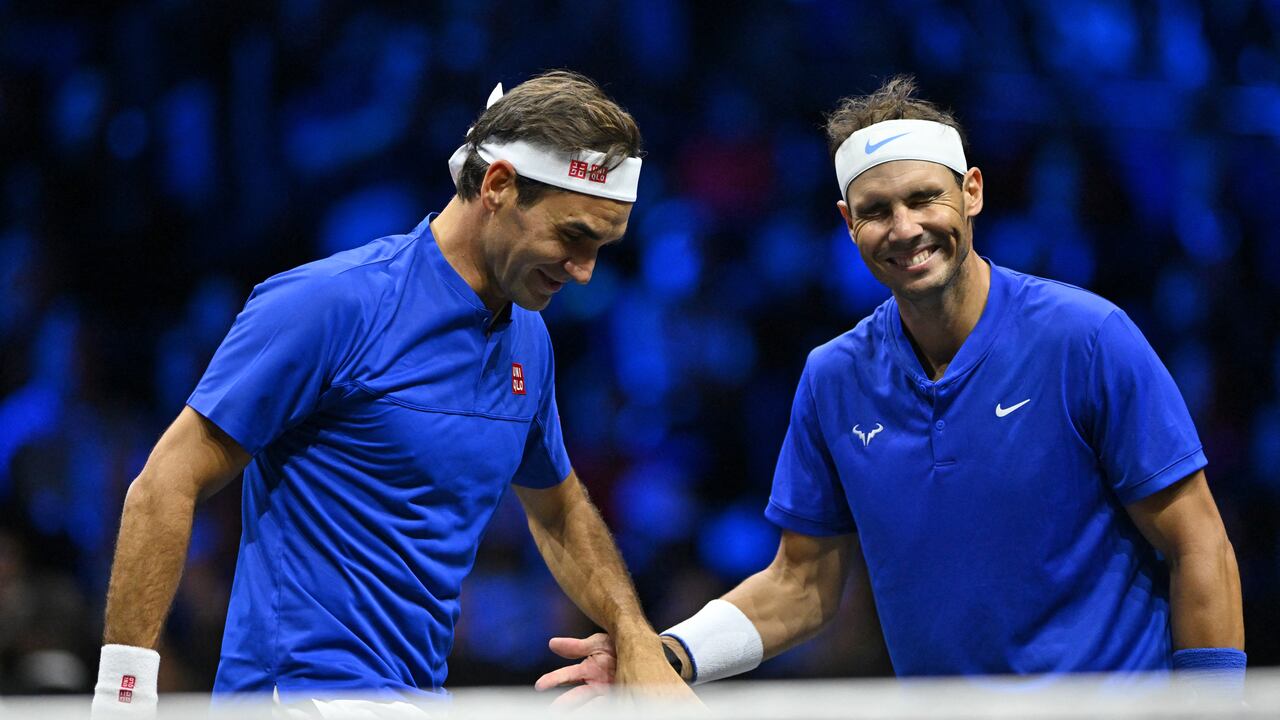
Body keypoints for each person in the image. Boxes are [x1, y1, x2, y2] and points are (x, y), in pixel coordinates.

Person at [536, 76, 1245, 703]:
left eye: (924, 198)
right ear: (848, 224)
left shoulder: (1088, 338)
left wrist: (1214, 709)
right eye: (876, 210)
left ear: (971, 192)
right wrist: (668, 654)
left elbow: (1198, 542)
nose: (905, 229)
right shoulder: (834, 376)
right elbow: (800, 584)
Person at [91, 71, 690, 716]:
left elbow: (560, 507)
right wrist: (122, 699)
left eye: (602, 247)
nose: (584, 271)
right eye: (573, 237)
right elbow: (164, 483)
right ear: (498, 186)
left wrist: (635, 638)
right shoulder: (330, 304)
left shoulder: (529, 341)